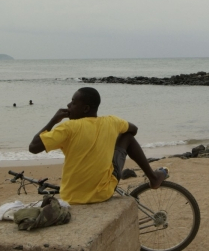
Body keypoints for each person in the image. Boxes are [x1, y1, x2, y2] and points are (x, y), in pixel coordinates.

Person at [28, 87, 166, 205]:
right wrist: (108, 141)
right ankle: (153, 178)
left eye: (73, 103)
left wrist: (53, 121)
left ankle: (153, 178)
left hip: (71, 197)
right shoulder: (112, 122)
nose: (68, 105)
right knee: (127, 137)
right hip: (103, 193)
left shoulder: (67, 128)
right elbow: (133, 130)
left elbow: (33, 147)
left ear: (86, 108)